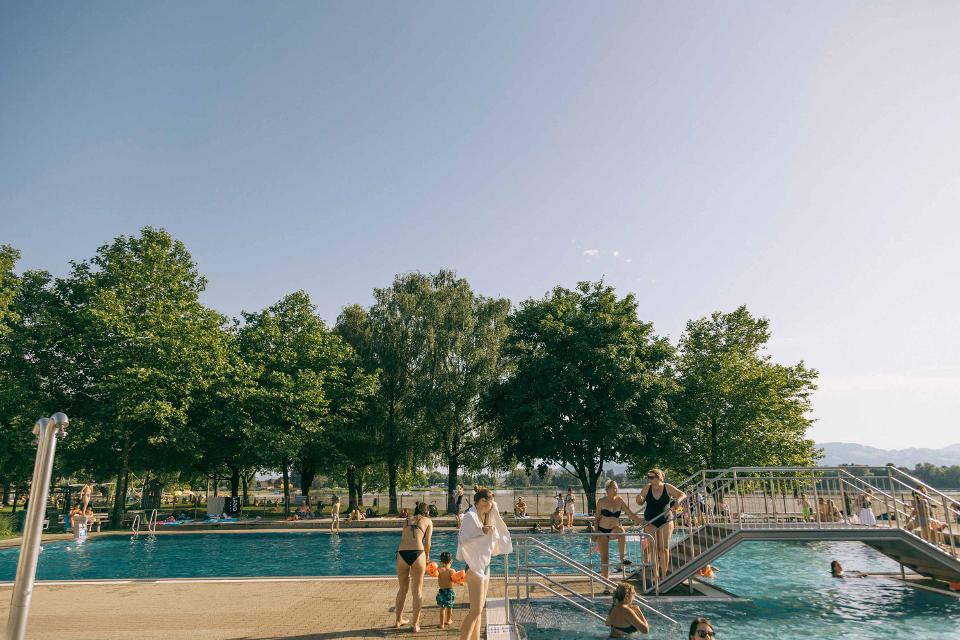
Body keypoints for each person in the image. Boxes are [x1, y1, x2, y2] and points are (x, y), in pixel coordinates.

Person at [457, 487, 512, 640]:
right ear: (480, 502)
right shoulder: (470, 516)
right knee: (474, 611)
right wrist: (483, 531)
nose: (491, 504)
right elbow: (464, 539)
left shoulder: (486, 516)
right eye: (488, 501)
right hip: (474, 567)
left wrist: (486, 527)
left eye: (492, 500)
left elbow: (495, 524)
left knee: (479, 609)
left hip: (485, 566)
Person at [636, 469, 686, 580]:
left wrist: (678, 501)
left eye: (651, 477)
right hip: (650, 521)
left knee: (663, 549)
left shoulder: (667, 487)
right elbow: (640, 501)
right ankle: (655, 574)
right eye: (648, 477)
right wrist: (639, 498)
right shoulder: (647, 487)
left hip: (666, 520)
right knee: (653, 548)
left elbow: (682, 494)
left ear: (659, 477)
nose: (649, 479)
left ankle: (663, 575)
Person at [395, 501, 433, 632]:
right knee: (417, 591)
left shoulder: (406, 520)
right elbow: (427, 543)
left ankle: (398, 620)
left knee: (402, 589)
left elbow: (404, 537)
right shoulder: (428, 521)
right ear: (427, 512)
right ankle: (415, 625)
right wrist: (427, 557)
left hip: (401, 553)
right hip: (418, 553)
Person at [597, 480, 642, 587]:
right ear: (608, 489)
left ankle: (622, 559)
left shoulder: (619, 500)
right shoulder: (601, 501)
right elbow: (597, 518)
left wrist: (641, 521)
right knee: (605, 559)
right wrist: (595, 532)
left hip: (613, 529)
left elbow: (630, 513)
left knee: (621, 530)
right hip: (602, 531)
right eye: (614, 488)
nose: (616, 489)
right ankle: (606, 584)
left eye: (617, 487)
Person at [436, 551, 456, 629]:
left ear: (441, 562)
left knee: (442, 608)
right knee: (449, 607)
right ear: (451, 561)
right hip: (450, 592)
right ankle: (448, 620)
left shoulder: (439, 570)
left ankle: (441, 624)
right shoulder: (452, 571)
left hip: (441, 591)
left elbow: (434, 574)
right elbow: (455, 580)